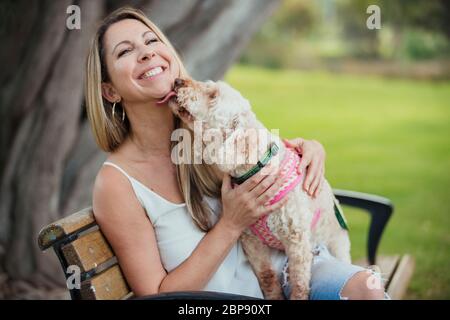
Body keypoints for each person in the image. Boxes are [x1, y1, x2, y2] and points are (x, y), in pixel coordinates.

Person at [85, 6, 387, 300]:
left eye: (152, 40)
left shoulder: (208, 132)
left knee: (368, 290)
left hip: (285, 269)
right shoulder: (117, 184)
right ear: (110, 91)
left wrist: (309, 149)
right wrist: (230, 225)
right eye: (125, 51)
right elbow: (156, 295)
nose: (147, 52)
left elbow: (270, 157)